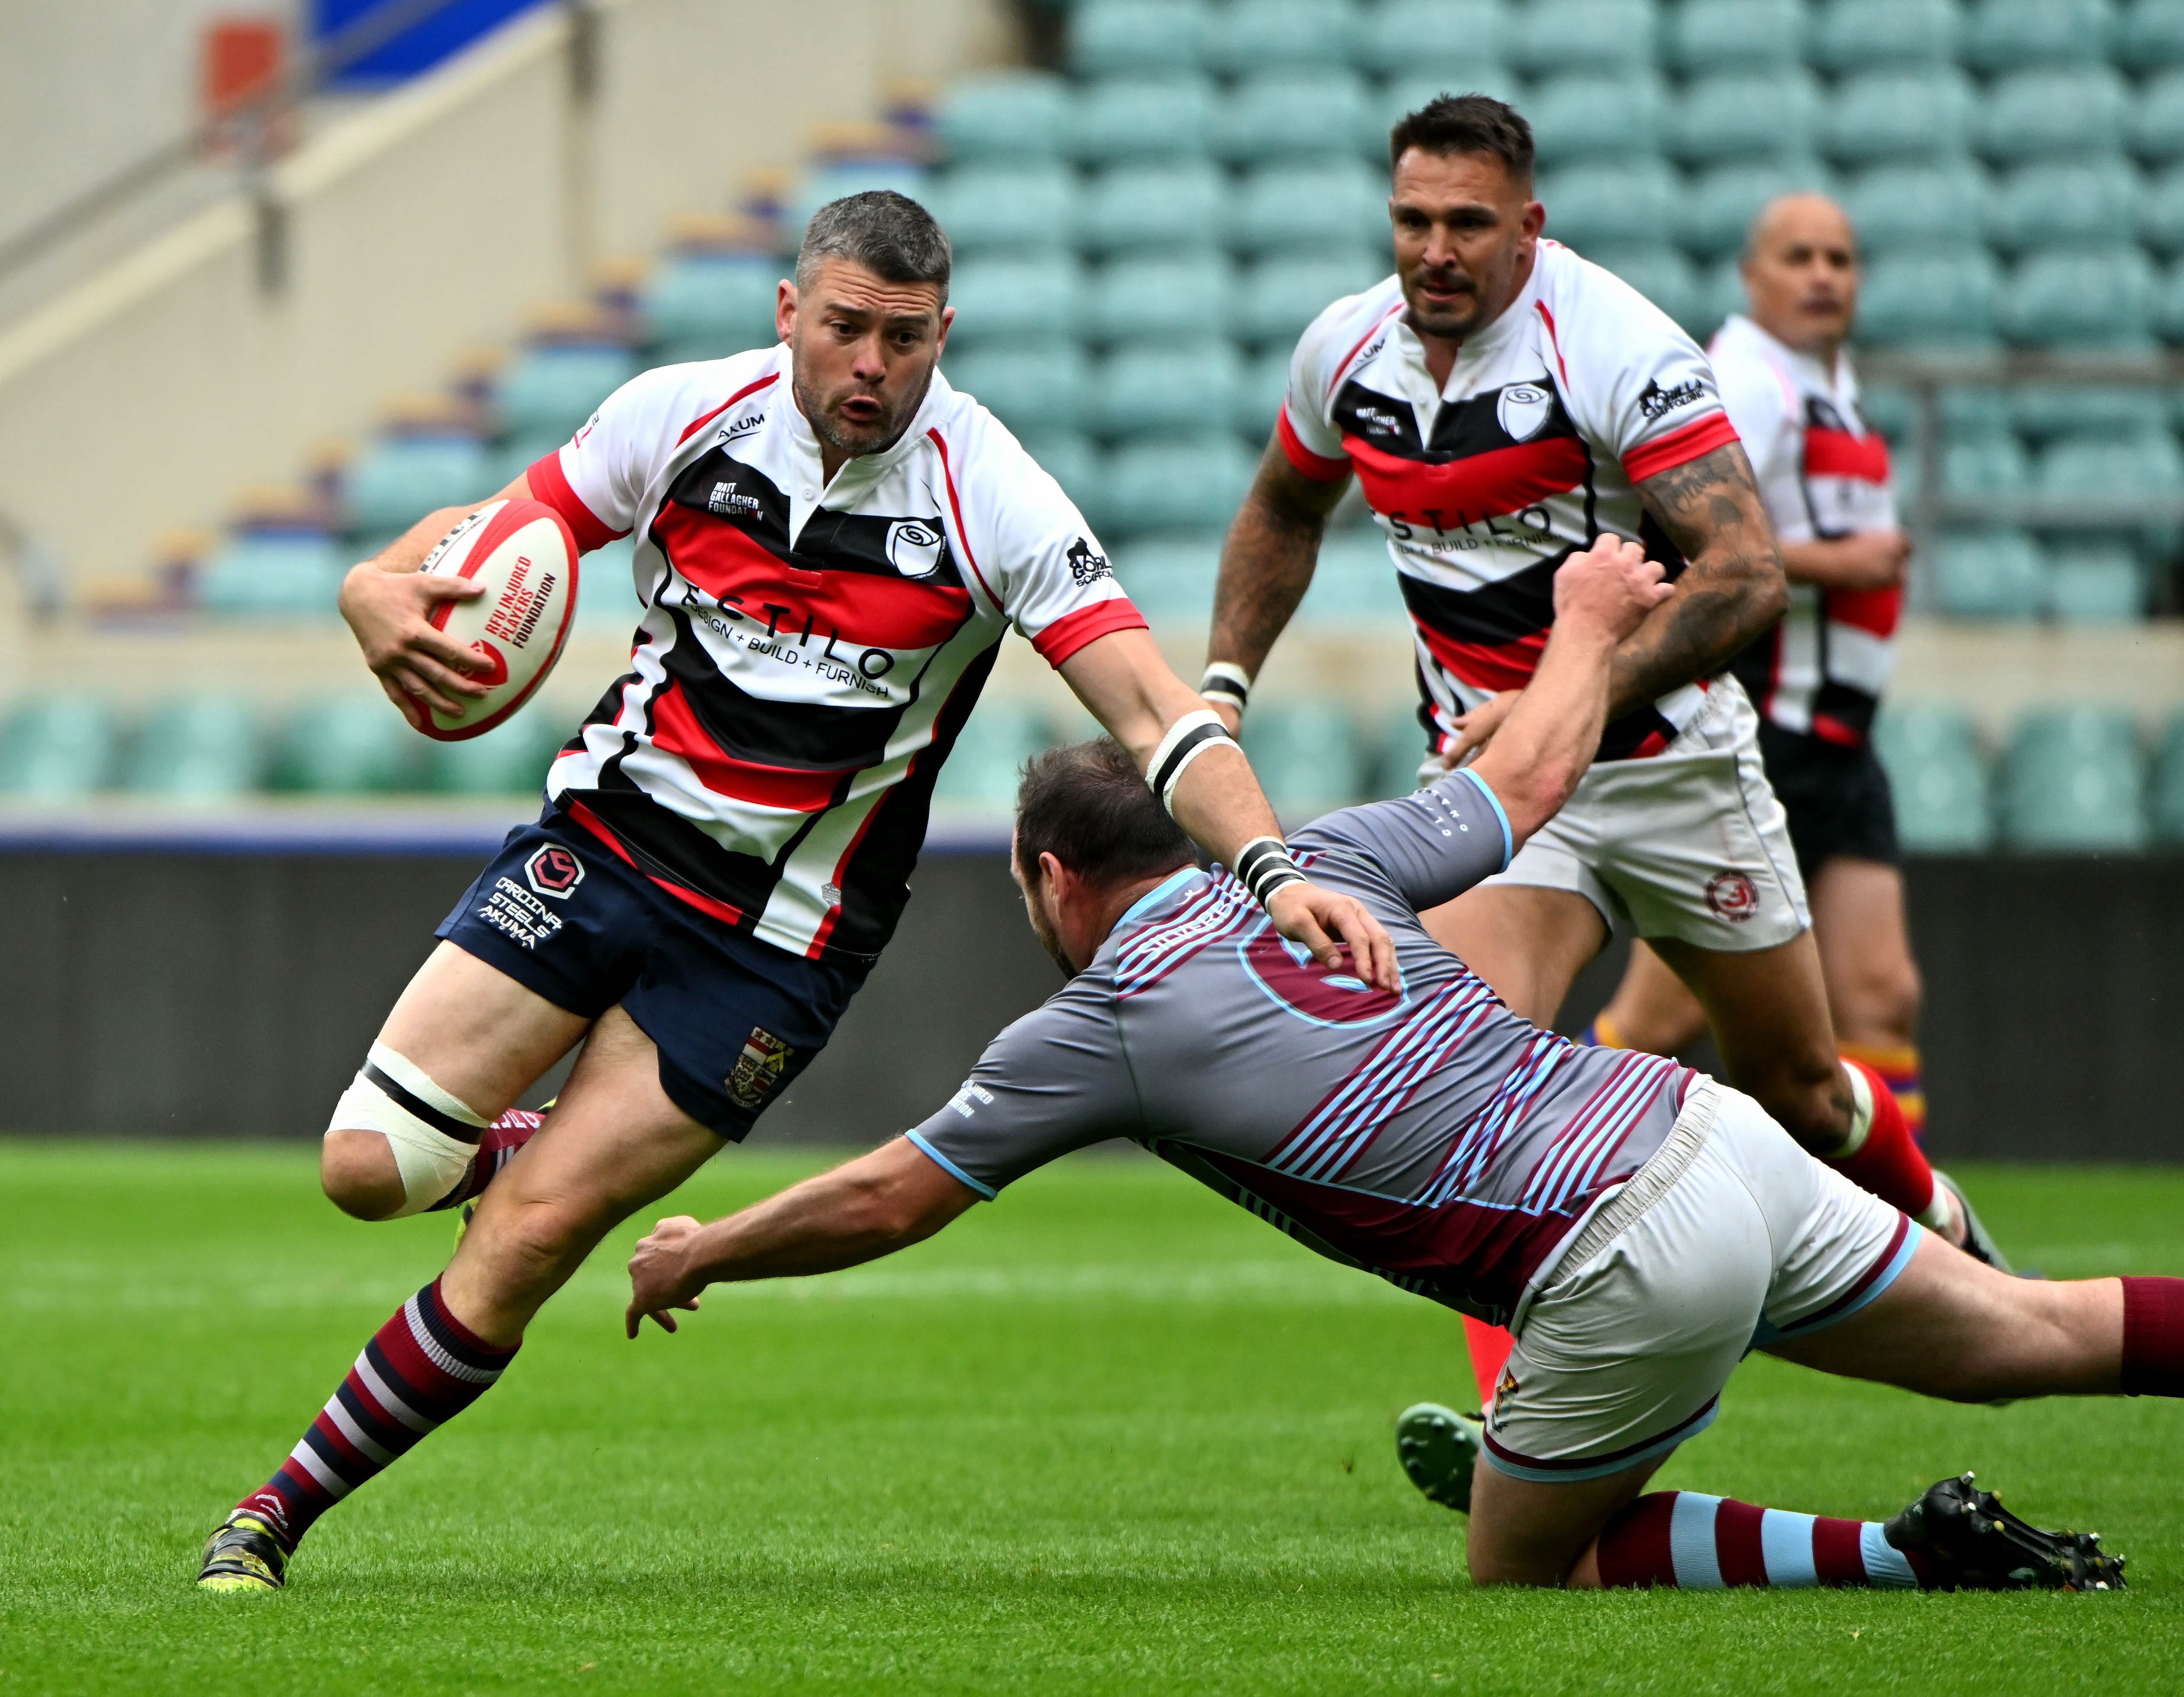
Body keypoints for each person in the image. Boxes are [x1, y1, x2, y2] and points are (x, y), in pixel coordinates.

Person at [623, 534, 2184, 1594]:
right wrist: (1584, 623)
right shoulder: (1326, 856)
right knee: (2031, 1332)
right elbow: (1532, 778)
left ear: (1052, 878)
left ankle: (1906, 1556)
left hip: (1619, 1251)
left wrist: (708, 1246)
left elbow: (891, 1195)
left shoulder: (1103, 1013)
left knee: (1520, 1560)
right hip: (1706, 1128)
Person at [194, 191, 1393, 1592]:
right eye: (843, 328)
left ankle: (268, 1518)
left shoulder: (991, 491)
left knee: (529, 1243)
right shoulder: (681, 416)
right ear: (788, 313)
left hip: (777, 944)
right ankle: (528, 1144)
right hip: (603, 847)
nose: (870, 364)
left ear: (943, 331)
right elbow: (503, 528)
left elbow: (1149, 709)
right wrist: (372, 580)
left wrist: (1269, 867)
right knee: (367, 1171)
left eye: (904, 336)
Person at [1194, 93, 1999, 1453]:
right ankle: (1517, 1420)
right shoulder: (1345, 350)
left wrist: (1561, 695)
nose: (1433, 250)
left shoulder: (1616, 344)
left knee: (1800, 1088)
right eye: (1410, 221)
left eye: (1466, 224)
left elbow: (1743, 576)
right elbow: (1283, 502)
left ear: (1528, 226)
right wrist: (1222, 687)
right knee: (1450, 1082)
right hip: (1503, 801)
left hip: (1674, 771)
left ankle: (1947, 1229)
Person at [1579, 195, 1936, 1189]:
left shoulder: (1828, 381)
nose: (1822, 276)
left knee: (1881, 996)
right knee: (1661, 1018)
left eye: (1840, 258)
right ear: (1752, 277)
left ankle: (1907, 1247)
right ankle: (1560, 1185)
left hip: (1841, 739)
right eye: (1798, 257)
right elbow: (1703, 543)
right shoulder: (1747, 376)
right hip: (1769, 728)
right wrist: (1845, 561)